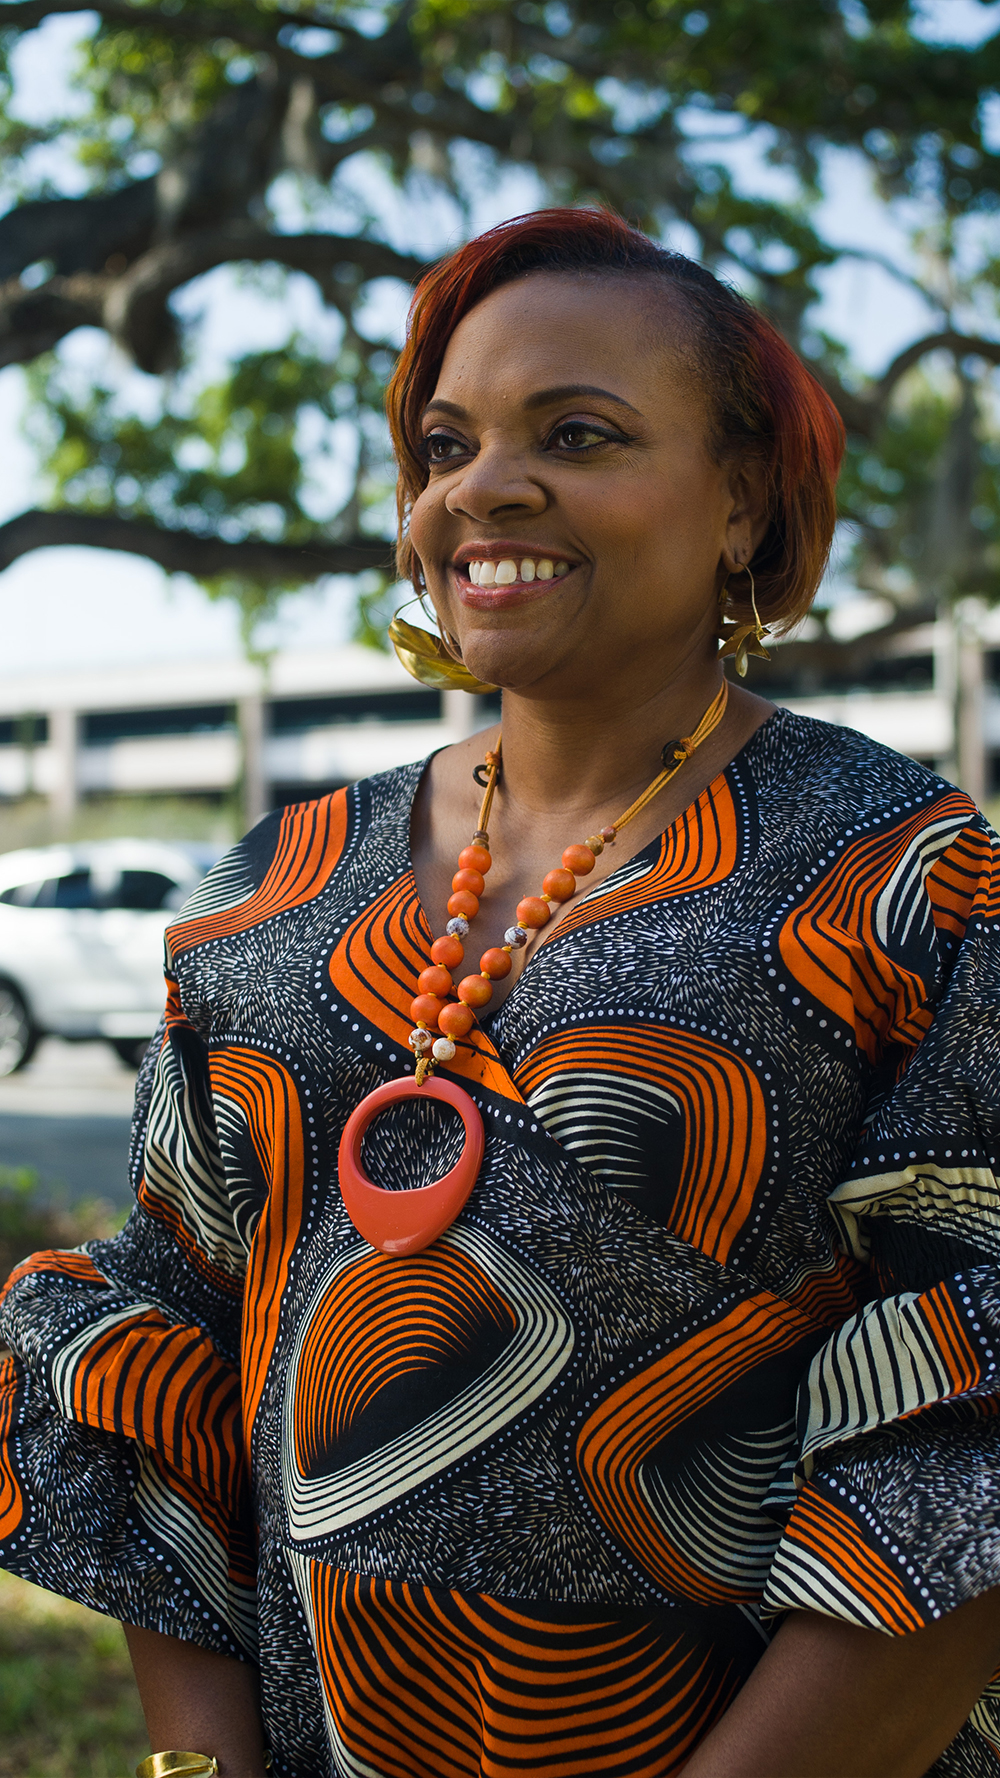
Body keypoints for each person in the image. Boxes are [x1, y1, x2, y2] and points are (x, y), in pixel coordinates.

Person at [1, 207, 999, 1778]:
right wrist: (198, 1767)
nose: (482, 486)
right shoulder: (272, 887)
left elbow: (975, 1406)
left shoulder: (897, 875)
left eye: (576, 432)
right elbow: (160, 1339)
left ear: (743, 502)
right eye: (445, 441)